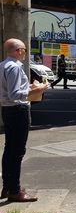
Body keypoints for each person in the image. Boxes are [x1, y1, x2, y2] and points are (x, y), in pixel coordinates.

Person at [0, 38, 49, 202]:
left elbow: (12, 90)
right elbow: (15, 94)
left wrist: (30, 87)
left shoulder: (3, 66)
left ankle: (8, 187)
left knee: (10, 150)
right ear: (18, 50)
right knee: (17, 151)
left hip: (7, 109)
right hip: (18, 109)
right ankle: (15, 190)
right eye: (25, 50)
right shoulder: (14, 67)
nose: (25, 54)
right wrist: (40, 89)